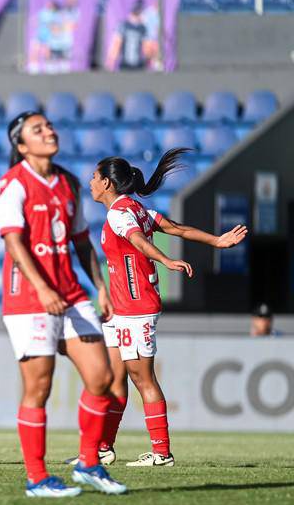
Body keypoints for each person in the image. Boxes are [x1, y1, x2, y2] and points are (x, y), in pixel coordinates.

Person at [87, 149, 247, 467]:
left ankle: (162, 453)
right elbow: (177, 228)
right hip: (121, 309)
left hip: (136, 306)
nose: (90, 182)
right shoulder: (137, 209)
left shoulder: (121, 214)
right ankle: (102, 448)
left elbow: (138, 241)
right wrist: (216, 241)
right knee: (113, 378)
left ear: (106, 182)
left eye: (94, 177)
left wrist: (165, 259)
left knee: (142, 378)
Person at [0, 111, 126, 498]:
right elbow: (14, 244)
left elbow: (81, 241)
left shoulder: (68, 182)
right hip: (29, 298)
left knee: (102, 377)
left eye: (50, 125)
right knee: (39, 386)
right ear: (21, 146)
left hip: (70, 293)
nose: (49, 131)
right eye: (38, 129)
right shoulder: (12, 184)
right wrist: (43, 288)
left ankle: (89, 463)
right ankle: (37, 478)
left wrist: (100, 287)